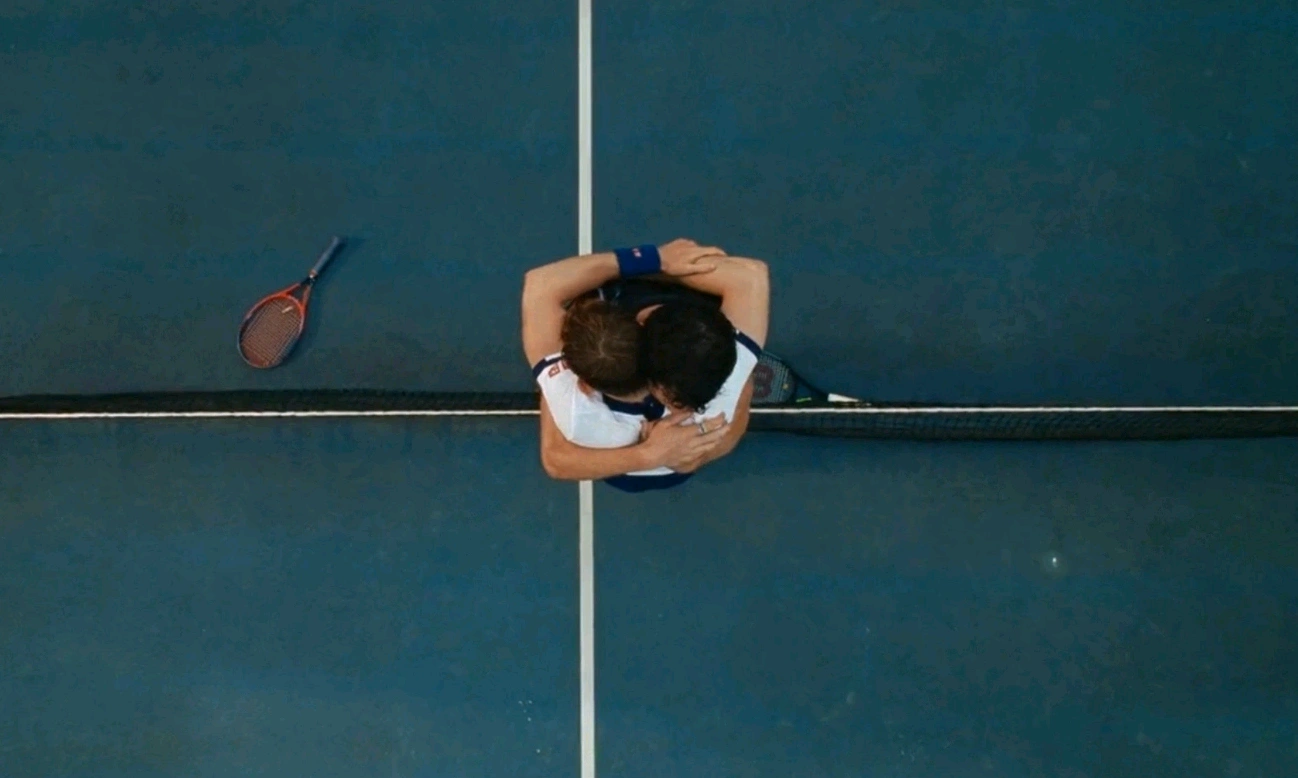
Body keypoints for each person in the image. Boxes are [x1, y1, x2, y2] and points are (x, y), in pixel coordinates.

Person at [521, 239, 769, 492]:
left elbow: (556, 461)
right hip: (675, 462)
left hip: (635, 468)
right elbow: (750, 276)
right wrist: (657, 264)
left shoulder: (582, 422)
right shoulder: (724, 387)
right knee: (743, 384)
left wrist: (656, 259)